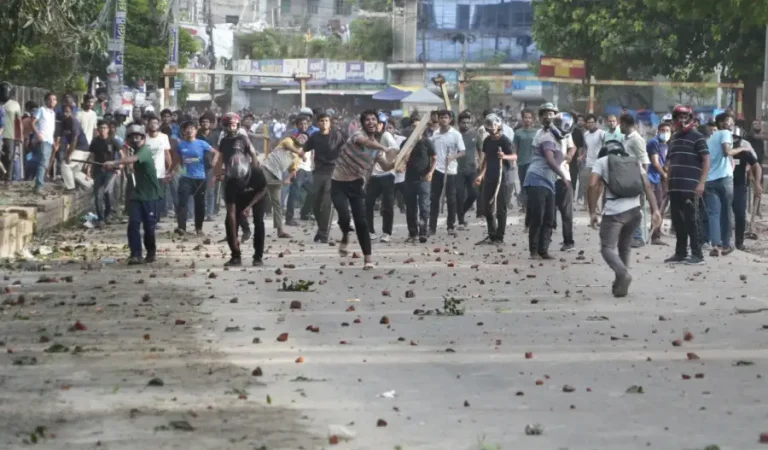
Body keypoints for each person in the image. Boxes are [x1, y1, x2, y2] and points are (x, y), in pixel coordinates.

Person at [589, 141, 661, 297]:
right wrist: (655, 210)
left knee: (607, 248)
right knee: (624, 246)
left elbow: (592, 185)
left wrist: (592, 212)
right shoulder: (634, 161)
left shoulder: (601, 161)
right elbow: (647, 185)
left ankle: (623, 274)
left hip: (614, 213)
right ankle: (620, 283)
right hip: (635, 211)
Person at [331, 109, 398, 269]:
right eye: (367, 120)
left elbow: (386, 166)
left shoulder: (377, 149)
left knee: (362, 222)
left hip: (356, 185)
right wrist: (385, 148)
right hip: (338, 183)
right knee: (345, 216)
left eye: (374, 119)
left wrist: (399, 162)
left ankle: (368, 260)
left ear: (379, 124)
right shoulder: (357, 135)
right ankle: (346, 234)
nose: (371, 122)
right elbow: (366, 143)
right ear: (362, 123)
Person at [103, 124, 162, 265]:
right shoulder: (133, 151)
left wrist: (114, 161)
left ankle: (151, 252)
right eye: (132, 137)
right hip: (138, 195)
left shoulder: (145, 150)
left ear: (143, 138)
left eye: (138, 137)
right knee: (133, 224)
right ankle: (136, 254)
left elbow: (132, 159)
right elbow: (127, 163)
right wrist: (113, 166)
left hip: (150, 195)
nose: (135, 140)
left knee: (149, 228)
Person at [664, 105, 710, 265]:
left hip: (692, 188)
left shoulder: (698, 137)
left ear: (690, 119)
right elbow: (670, 163)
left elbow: (706, 160)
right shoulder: (674, 138)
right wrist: (667, 185)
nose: (682, 121)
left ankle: (697, 255)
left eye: (685, 118)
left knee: (693, 222)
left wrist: (701, 183)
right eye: (679, 118)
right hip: (675, 187)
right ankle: (681, 253)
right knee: (678, 222)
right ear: (675, 119)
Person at [523, 103, 570, 259]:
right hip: (537, 179)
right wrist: (563, 176)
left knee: (549, 217)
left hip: (549, 181)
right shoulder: (547, 137)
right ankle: (534, 250)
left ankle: (544, 250)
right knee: (538, 216)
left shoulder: (559, 140)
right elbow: (550, 160)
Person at [167, 121, 219, 235]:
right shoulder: (181, 145)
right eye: (187, 128)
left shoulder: (202, 143)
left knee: (200, 204)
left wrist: (214, 161)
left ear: (196, 131)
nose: (190, 130)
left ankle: (198, 228)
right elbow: (176, 159)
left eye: (192, 128)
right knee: (183, 202)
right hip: (185, 177)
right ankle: (182, 228)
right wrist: (170, 171)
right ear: (184, 131)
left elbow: (216, 153)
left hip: (200, 178)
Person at [474, 114, 515, 244]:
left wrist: (504, 156)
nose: (492, 129)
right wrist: (481, 175)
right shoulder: (487, 141)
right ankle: (492, 234)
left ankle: (500, 236)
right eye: (490, 127)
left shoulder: (505, 141)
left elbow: (514, 156)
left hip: (502, 178)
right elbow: (486, 159)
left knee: (501, 208)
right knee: (488, 207)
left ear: (498, 126)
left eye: (494, 126)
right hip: (489, 177)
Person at [305, 112, 345, 243]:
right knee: (315, 203)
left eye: (326, 120)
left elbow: (346, 150)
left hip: (333, 171)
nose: (324, 123)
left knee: (327, 203)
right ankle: (321, 228)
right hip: (318, 171)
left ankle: (323, 234)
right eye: (321, 121)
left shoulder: (337, 136)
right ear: (318, 123)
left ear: (330, 122)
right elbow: (304, 148)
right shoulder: (314, 137)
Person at [223, 154, 268, 267]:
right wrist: (234, 238)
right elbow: (231, 213)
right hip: (239, 198)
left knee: (258, 222)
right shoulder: (229, 183)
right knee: (229, 222)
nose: (240, 180)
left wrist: (249, 207)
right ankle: (235, 256)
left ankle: (258, 256)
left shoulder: (257, 172)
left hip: (257, 196)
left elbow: (263, 189)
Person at [428, 110, 465, 236]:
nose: (443, 120)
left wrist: (453, 156)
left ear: (450, 119)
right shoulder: (435, 134)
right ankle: (432, 227)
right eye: (441, 117)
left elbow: (462, 151)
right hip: (437, 170)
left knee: (451, 199)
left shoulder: (456, 134)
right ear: (438, 119)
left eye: (445, 117)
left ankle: (450, 226)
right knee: (434, 199)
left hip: (451, 171)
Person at [402, 113, 436, 243]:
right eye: (413, 126)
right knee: (410, 207)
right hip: (409, 179)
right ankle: (413, 233)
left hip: (424, 179)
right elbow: (401, 161)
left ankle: (423, 232)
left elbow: (434, 158)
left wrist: (431, 172)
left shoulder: (427, 142)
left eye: (418, 126)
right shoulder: (406, 143)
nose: (416, 129)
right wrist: (404, 161)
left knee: (424, 207)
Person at [366, 113, 399, 243]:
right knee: (368, 203)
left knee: (387, 205)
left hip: (386, 175)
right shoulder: (367, 137)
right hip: (372, 176)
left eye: (379, 123)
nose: (376, 126)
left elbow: (395, 149)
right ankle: (370, 230)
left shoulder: (386, 135)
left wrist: (387, 158)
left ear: (383, 125)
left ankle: (386, 232)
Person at [87, 120, 122, 227]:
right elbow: (92, 156)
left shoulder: (113, 141)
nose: (103, 130)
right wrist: (89, 169)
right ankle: (101, 218)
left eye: (105, 128)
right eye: (101, 128)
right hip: (98, 170)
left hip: (111, 171)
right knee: (98, 195)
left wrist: (119, 166)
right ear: (98, 130)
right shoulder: (95, 142)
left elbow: (122, 154)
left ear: (108, 129)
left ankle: (108, 215)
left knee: (108, 192)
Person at [646, 122, 672, 245]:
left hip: (660, 178)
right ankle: (654, 236)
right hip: (652, 177)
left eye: (667, 130)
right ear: (658, 131)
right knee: (657, 206)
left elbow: (665, 161)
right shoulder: (654, 143)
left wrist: (666, 170)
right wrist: (664, 174)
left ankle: (656, 231)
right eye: (662, 130)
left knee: (661, 206)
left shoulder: (666, 144)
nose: (665, 133)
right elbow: (655, 162)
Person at [456, 111, 481, 228]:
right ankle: (461, 220)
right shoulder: (455, 135)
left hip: (472, 169)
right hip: (457, 170)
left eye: (467, 122)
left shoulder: (475, 135)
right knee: (460, 195)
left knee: (474, 194)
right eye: (463, 122)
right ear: (458, 123)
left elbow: (481, 150)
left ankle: (461, 212)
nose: (465, 125)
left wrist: (480, 162)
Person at [32, 92, 57, 194]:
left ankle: (38, 184)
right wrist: (37, 134)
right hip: (43, 139)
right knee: (43, 163)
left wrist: (54, 141)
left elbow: (51, 128)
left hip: (49, 140)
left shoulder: (53, 113)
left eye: (54, 99)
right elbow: (32, 122)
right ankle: (39, 186)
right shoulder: (41, 110)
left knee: (45, 163)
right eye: (50, 99)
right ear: (46, 100)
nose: (52, 101)